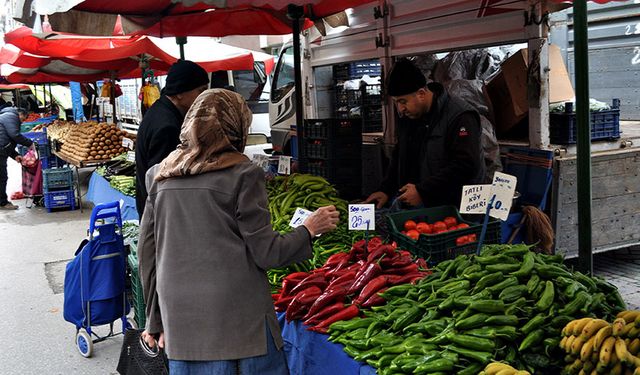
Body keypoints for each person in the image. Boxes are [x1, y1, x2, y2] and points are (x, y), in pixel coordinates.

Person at [137, 89, 340, 374]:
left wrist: (154, 321)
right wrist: (309, 229)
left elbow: (147, 254)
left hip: (180, 322)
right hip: (239, 323)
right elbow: (267, 253)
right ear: (236, 127)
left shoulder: (159, 175)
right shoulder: (244, 175)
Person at [365, 58, 485, 209]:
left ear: (421, 93)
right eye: (396, 102)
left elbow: (466, 165)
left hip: (454, 210)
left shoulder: (460, 116)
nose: (400, 109)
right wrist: (385, 189)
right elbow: (400, 155)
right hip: (420, 207)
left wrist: (423, 191)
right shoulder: (409, 116)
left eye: (403, 101)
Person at [135, 60, 209, 218]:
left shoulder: (160, 110)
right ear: (180, 92)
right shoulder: (167, 127)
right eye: (201, 90)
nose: (204, 97)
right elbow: (164, 184)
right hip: (162, 216)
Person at [0, 107, 32, 210]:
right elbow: (14, 135)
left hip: (2, 149)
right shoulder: (12, 116)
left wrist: (15, 155)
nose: (22, 123)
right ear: (21, 114)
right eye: (23, 119)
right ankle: (2, 203)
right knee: (2, 177)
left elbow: (6, 140)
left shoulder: (6, 115)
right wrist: (30, 143)